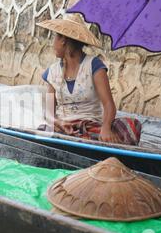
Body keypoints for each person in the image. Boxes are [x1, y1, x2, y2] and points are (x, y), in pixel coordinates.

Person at [36, 15, 141, 145]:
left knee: (132, 125)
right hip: (63, 127)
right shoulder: (52, 72)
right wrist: (59, 122)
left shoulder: (94, 66)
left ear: (63, 40)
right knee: (42, 130)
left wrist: (106, 128)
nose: (54, 43)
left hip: (91, 126)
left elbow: (109, 105)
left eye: (56, 37)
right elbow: (49, 112)